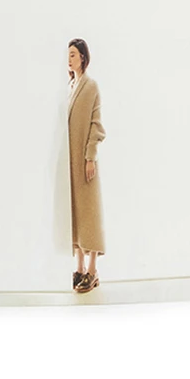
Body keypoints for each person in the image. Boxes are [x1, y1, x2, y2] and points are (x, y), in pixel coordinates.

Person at [67, 38, 107, 293]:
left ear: (83, 57)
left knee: (90, 214)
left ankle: (92, 271)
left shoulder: (91, 86)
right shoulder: (71, 85)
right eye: (67, 55)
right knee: (76, 213)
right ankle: (79, 268)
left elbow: (96, 124)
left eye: (73, 54)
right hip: (69, 161)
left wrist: (90, 157)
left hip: (84, 161)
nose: (69, 59)